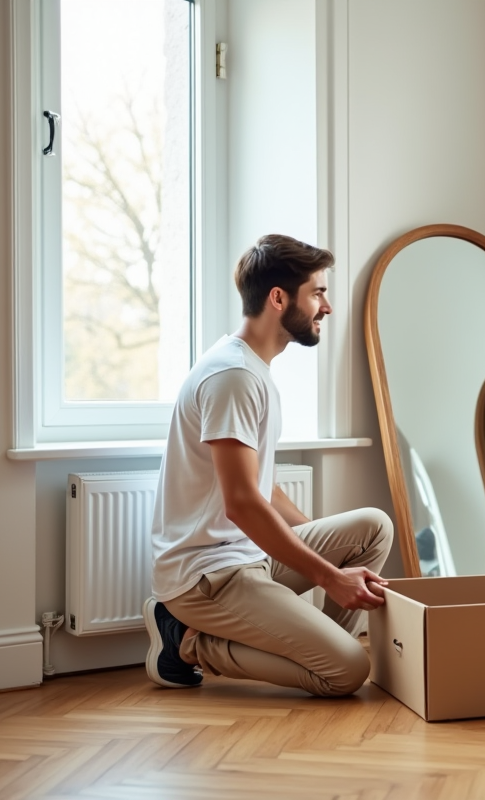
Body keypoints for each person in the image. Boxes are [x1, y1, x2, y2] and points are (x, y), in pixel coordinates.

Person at [143, 234, 393, 696]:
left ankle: (310, 642)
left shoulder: (254, 369)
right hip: (207, 577)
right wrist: (328, 575)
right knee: (346, 672)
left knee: (372, 527)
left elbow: (263, 488)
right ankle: (187, 641)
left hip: (248, 557)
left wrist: (323, 549)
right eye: (317, 292)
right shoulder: (233, 377)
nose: (327, 307)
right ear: (279, 298)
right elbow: (241, 504)